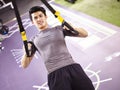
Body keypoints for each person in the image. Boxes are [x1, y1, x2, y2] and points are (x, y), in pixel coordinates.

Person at [21, 6, 95, 90]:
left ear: (46, 17)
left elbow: (85, 34)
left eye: (40, 16)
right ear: (32, 22)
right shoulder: (33, 41)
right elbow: (24, 65)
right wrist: (26, 52)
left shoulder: (59, 29)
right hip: (55, 75)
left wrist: (72, 28)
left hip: (73, 68)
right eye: (35, 18)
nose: (38, 19)